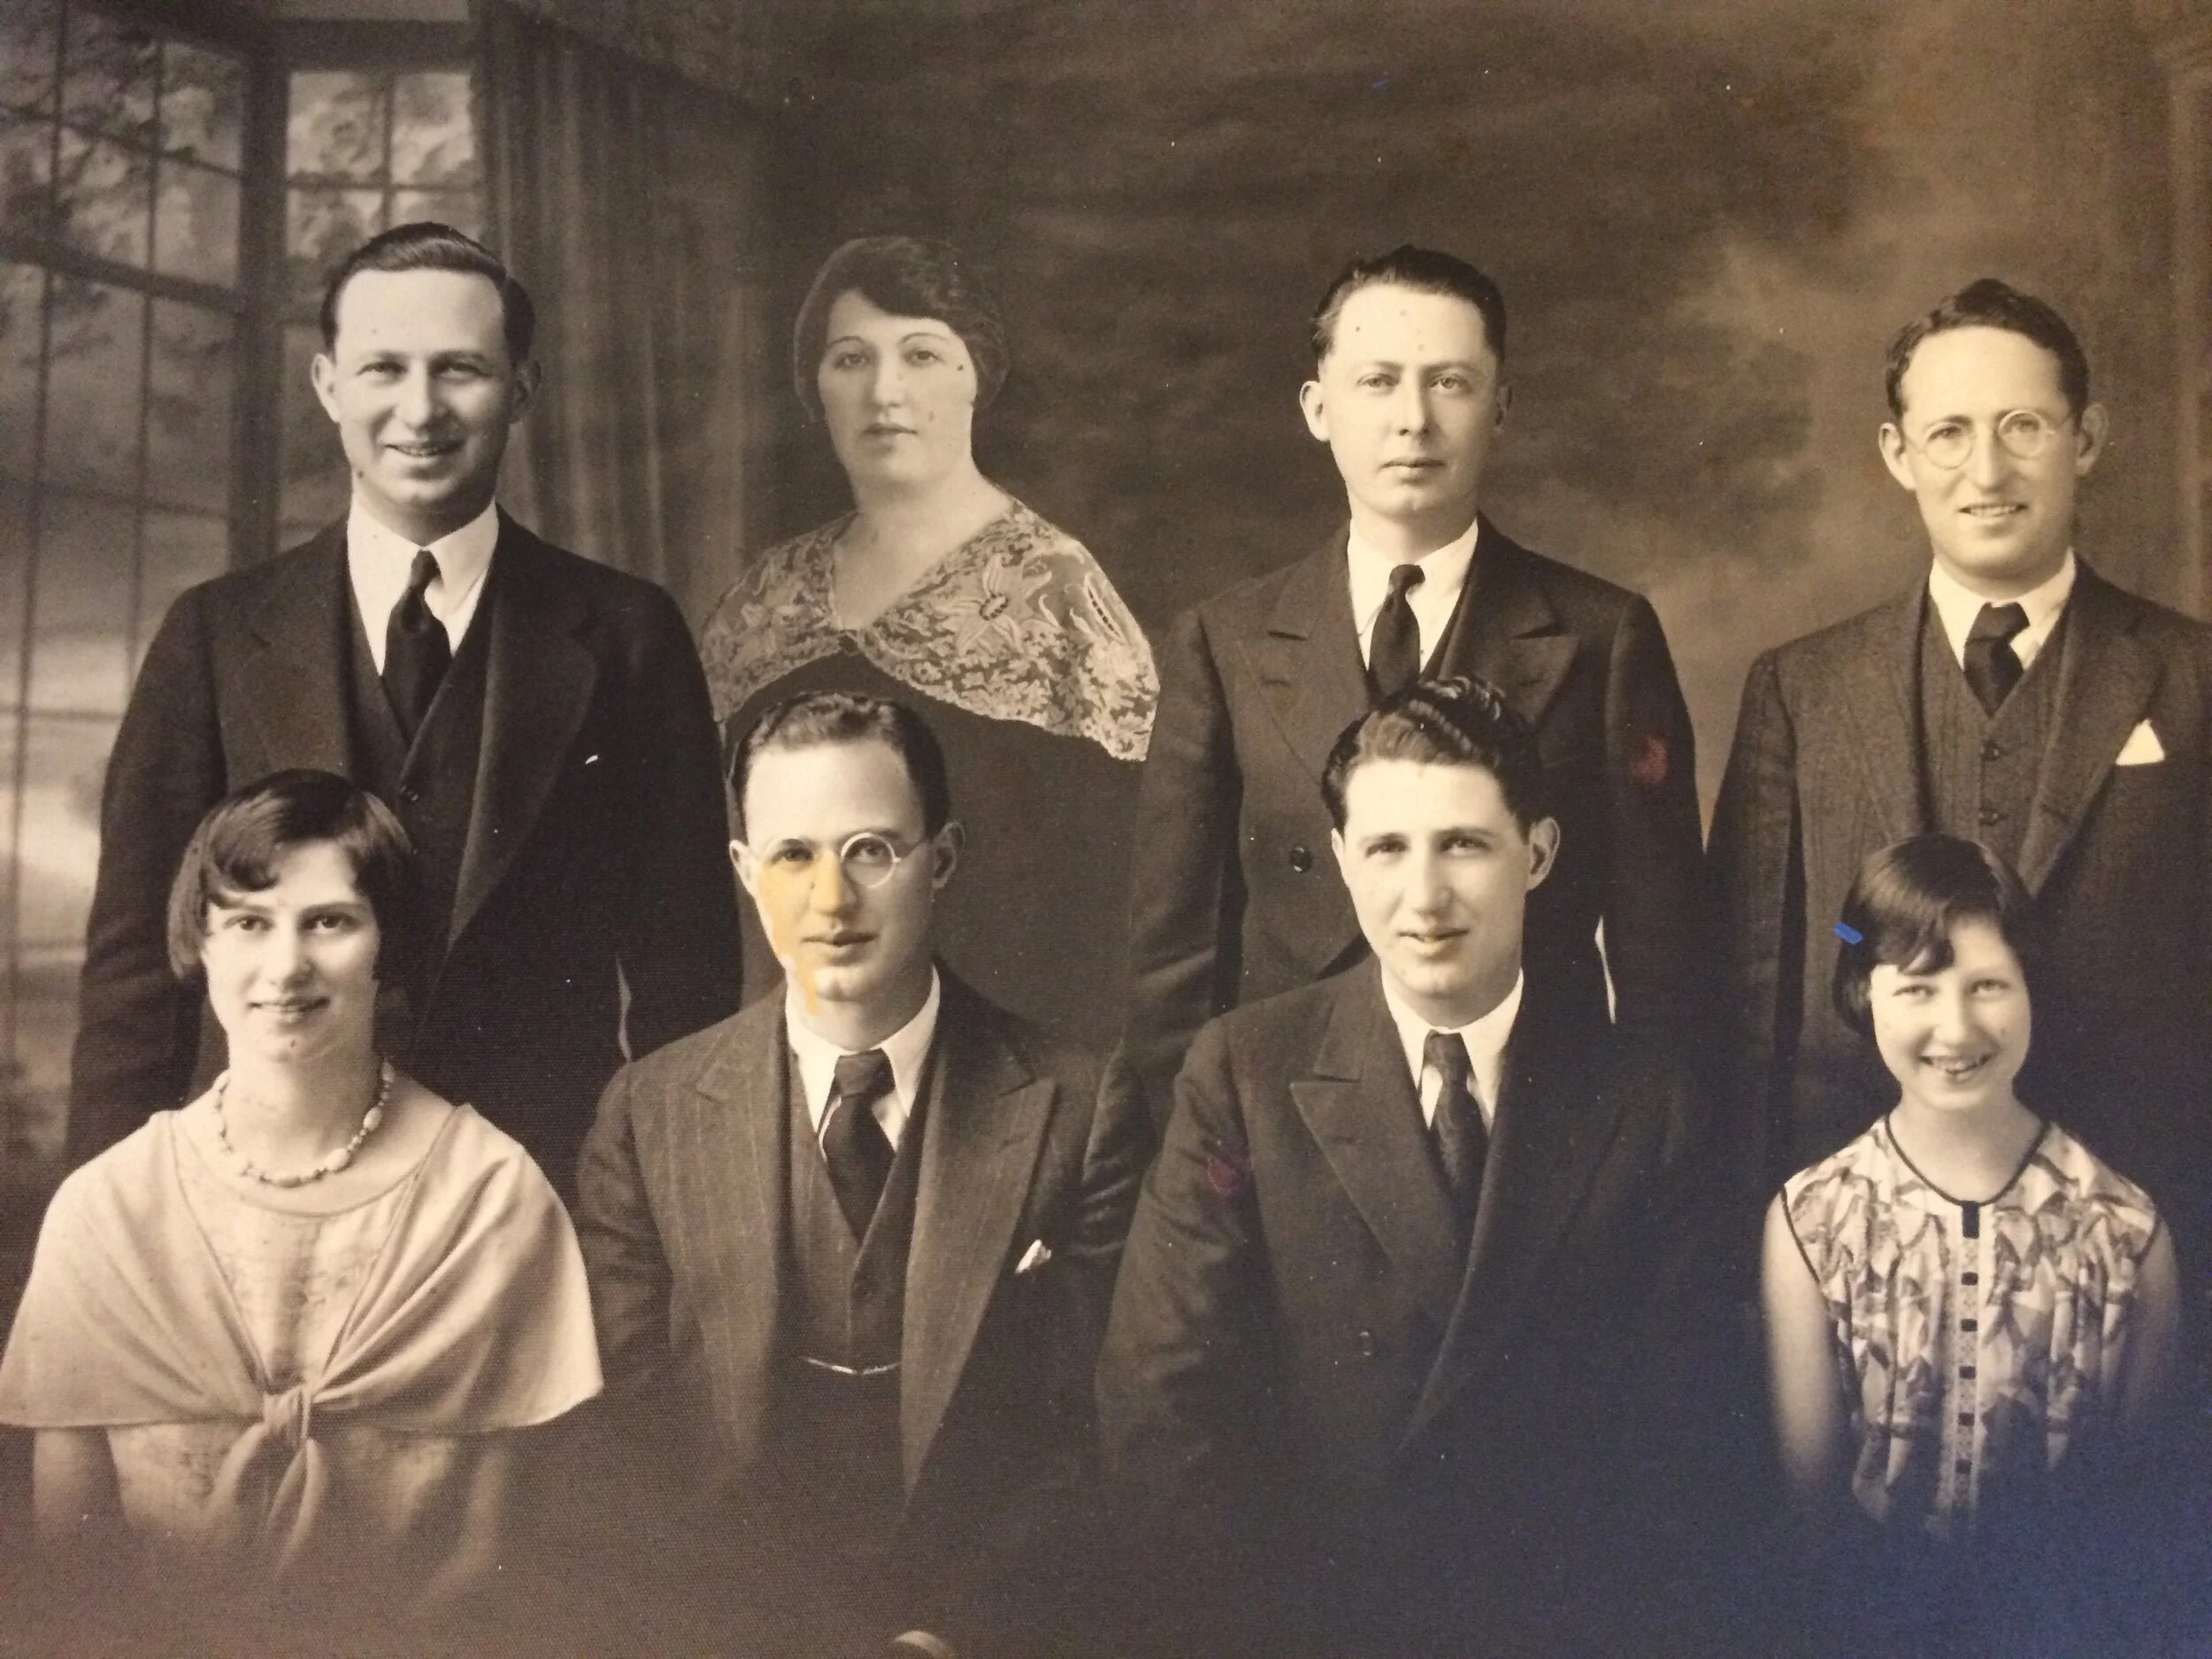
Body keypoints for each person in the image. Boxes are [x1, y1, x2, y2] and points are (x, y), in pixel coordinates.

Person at [69, 221, 741, 1196]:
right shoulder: (213, 635)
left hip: (538, 1186)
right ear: (328, 385)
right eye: (384, 368)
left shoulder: (628, 634)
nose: (419, 411)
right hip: (259, 1187)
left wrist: (669, 1216)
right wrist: (105, 1225)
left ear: (519, 391)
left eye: (460, 370)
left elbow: (688, 980)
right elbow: (137, 973)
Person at [1098, 676, 1717, 1658]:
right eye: (1387, 848)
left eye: (1464, 845)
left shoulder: (1646, 1100)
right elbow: (1164, 1404)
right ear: (1342, 860)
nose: (1423, 898)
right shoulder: (1245, 1074)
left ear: (1539, 854)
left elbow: (1681, 1446)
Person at [573, 689, 1148, 1659]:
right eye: (793, 857)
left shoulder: (1081, 1107)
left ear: (944, 861)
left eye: (871, 851)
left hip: (977, 1627)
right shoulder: (650, 1113)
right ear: (744, 873)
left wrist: (945, 1638)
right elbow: (631, 1432)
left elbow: (1086, 1438)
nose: (830, 902)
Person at [0, 771, 601, 1643]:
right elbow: (72, 1560)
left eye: (329, 921)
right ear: (200, 941)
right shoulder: (111, 1209)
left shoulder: (490, 1197)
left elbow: (487, 1562)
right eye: (249, 922)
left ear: (385, 946)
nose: (286, 967)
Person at [1119, 243, 1702, 1131]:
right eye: (1378, 382)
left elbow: (1662, 954)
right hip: (1291, 1119)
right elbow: (1175, 961)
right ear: (1318, 408)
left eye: (1451, 384)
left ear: (1500, 408)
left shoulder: (1599, 634)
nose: (1413, 422)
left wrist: (1651, 1152)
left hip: (1539, 1115)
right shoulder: (1224, 641)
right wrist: (1193, 1156)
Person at [1709, 279, 2212, 1294]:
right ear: (1898, 454)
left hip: (2144, 1223)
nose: (1986, 470)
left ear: (2087, 438)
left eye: (2022, 425)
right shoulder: (1800, 691)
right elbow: (1761, 985)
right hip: (1853, 1245)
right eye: (1948, 433)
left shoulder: (2190, 675)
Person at [698, 235, 1156, 1054]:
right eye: (850, 360)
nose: (885, 391)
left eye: (921, 356)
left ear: (977, 378)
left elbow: (1119, 901)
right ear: (816, 390)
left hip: (1016, 1059)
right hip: (795, 1048)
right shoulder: (766, 599)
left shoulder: (1057, 595)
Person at [1762, 833, 2181, 1655]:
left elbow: (2138, 1511)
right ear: (1864, 993)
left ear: (2031, 990)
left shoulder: (2128, 1234)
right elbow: (1814, 1514)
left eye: (1988, 984)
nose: (1955, 1027)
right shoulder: (1809, 1224)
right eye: (1917, 987)